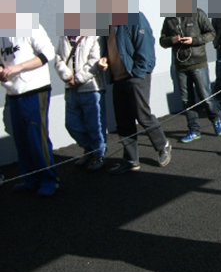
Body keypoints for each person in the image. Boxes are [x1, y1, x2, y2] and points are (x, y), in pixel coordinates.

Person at [98, 10, 172, 174]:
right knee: (123, 120)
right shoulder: (105, 23)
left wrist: (139, 72)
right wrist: (104, 59)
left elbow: (145, 45)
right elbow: (109, 48)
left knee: (142, 114)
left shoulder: (133, 16)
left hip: (135, 75)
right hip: (118, 78)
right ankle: (131, 159)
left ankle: (163, 145)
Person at [1, 25, 59, 195]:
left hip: (34, 89)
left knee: (36, 137)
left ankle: (50, 179)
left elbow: (48, 52)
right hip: (13, 92)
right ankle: (31, 179)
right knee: (21, 140)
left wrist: (19, 67)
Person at [160, 6, 221, 143]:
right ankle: (194, 130)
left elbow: (211, 33)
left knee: (205, 96)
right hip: (180, 65)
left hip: (198, 63)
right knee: (186, 100)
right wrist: (172, 40)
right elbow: (162, 40)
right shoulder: (169, 19)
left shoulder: (197, 13)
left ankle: (215, 119)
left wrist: (194, 40)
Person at [55, 35, 107, 170]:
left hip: (91, 88)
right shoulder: (63, 37)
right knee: (71, 124)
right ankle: (89, 149)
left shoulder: (94, 35)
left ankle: (98, 155)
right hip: (70, 89)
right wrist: (67, 76)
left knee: (94, 126)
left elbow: (95, 61)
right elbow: (58, 58)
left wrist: (78, 79)